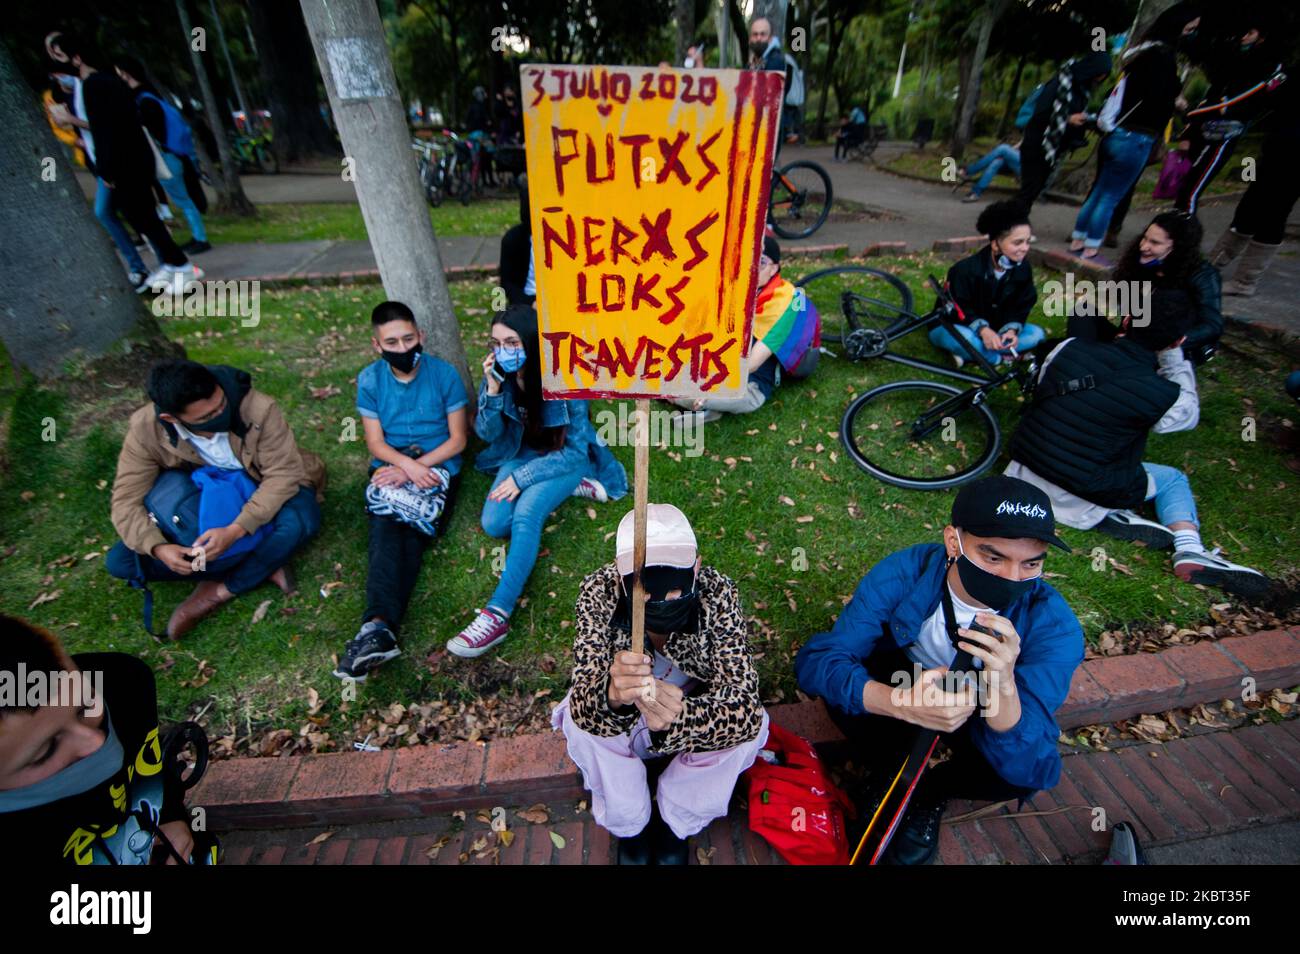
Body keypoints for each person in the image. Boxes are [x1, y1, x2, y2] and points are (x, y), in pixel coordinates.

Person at [795, 475, 1083, 865]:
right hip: (903, 681)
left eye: (1030, 563)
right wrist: (900, 703)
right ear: (953, 542)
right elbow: (818, 663)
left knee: (1017, 773)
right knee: (847, 698)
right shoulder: (906, 571)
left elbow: (1033, 761)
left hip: (979, 709)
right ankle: (888, 769)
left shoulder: (1054, 626)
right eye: (993, 557)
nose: (1012, 578)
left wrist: (1002, 684)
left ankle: (931, 792)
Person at [1006, 289, 1268, 598]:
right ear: (1178, 341)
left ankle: (1112, 515)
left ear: (1127, 319)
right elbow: (1188, 416)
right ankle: (1189, 548)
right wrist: (1174, 359)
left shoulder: (1066, 348)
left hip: (1021, 472)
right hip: (1087, 485)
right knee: (1173, 479)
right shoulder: (1164, 393)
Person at [553, 504, 768, 864]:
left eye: (673, 592)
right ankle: (631, 827)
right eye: (647, 595)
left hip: (691, 708)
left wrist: (682, 717)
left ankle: (674, 824)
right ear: (621, 580)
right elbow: (586, 694)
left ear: (696, 567)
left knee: (753, 726)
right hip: (626, 718)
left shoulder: (717, 593)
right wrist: (612, 695)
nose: (663, 603)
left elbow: (744, 707)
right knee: (581, 722)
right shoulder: (598, 592)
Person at [450, 305, 628, 658]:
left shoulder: (567, 376)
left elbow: (576, 450)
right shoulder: (501, 376)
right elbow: (487, 434)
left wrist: (523, 478)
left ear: (532, 341)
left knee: (526, 514)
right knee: (495, 523)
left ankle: (497, 614)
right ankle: (571, 490)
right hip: (521, 452)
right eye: (497, 343)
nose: (504, 350)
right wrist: (493, 388)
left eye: (513, 342)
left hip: (565, 459)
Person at [105, 360, 326, 639]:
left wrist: (235, 531)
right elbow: (125, 500)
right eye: (205, 417)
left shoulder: (257, 408)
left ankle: (219, 590)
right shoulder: (145, 429)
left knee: (300, 522)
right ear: (171, 419)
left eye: (221, 405)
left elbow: (283, 476)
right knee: (121, 562)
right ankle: (266, 560)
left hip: (265, 485)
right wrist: (158, 548)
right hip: (205, 499)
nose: (220, 415)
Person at [0, 614, 217, 864]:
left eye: (86, 706)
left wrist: (171, 816)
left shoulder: (121, 683)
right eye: (46, 751)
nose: (95, 741)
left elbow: (149, 771)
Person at [334, 302, 469, 681]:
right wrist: (404, 468)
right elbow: (375, 442)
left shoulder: (444, 375)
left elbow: (458, 439)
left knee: (401, 532)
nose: (402, 347)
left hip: (437, 465)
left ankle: (377, 627)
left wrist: (417, 467)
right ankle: (379, 627)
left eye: (409, 338)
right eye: (392, 341)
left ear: (421, 337)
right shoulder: (370, 380)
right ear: (377, 346)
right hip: (391, 467)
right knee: (390, 532)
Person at [45, 31, 200, 293]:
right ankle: (174, 265)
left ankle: (180, 266)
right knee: (141, 217)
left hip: (125, 163)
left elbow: (107, 130)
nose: (55, 65)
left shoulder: (96, 85)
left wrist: (106, 169)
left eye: (60, 56)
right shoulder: (99, 84)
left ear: (77, 57)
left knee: (142, 216)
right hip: (128, 161)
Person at [1069, 5, 1200, 258]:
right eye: (1190, 28)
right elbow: (1161, 99)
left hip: (1116, 133)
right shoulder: (1163, 59)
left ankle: (1078, 241)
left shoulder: (1140, 56)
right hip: (1136, 137)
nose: (1191, 33)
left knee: (1098, 192)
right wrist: (1179, 104)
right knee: (1109, 196)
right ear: (1177, 26)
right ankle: (1091, 248)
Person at [672, 236, 820, 422]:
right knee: (666, 376)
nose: (751, 268)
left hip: (751, 382)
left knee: (677, 392)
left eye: (761, 262)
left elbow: (754, 362)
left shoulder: (786, 304)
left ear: (774, 268)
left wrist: (714, 384)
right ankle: (709, 408)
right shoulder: (736, 287)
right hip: (719, 364)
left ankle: (707, 405)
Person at [1176, 12, 1286, 215]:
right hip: (1203, 128)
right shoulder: (1232, 59)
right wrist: (1189, 131)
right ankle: (1173, 230)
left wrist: (1192, 113)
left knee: (1191, 190)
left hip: (1226, 132)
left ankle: (1181, 233)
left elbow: (1240, 101)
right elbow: (1213, 95)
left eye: (1250, 32)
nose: (1243, 36)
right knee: (1183, 188)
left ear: (1262, 36)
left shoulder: (1269, 68)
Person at [1206, 72, 1299, 297]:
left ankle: (1245, 281)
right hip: (1277, 150)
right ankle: (1212, 267)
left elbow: (1275, 98)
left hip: (1291, 157)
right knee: (1251, 207)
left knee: (1272, 214)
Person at [113, 56, 211, 255]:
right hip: (172, 155)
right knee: (185, 199)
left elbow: (151, 132)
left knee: (184, 200)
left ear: (125, 73)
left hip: (167, 157)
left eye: (118, 73)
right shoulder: (151, 97)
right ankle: (198, 237)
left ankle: (201, 238)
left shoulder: (143, 102)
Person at [931, 200, 1044, 368]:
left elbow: (1022, 303)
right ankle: (1001, 358)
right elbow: (957, 308)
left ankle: (975, 355)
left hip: (996, 329)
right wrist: (983, 331)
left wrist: (1011, 330)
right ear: (995, 244)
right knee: (966, 339)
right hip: (958, 327)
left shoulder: (1023, 268)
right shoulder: (964, 270)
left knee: (1037, 334)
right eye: (1017, 242)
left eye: (1027, 241)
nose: (1025, 248)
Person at [1102, 212, 1222, 367]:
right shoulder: (1140, 265)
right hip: (1132, 339)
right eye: (1144, 238)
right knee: (1083, 314)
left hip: (1164, 349)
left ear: (1178, 247)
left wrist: (1175, 343)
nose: (1144, 246)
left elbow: (1212, 325)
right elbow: (1127, 307)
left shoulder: (1202, 275)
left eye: (1155, 243)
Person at [1016, 51, 1113, 211]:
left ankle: (1016, 223)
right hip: (1038, 143)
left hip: (1055, 148)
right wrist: (1068, 119)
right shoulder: (1060, 83)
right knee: (1029, 189)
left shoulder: (1083, 90)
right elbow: (1040, 114)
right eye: (1101, 73)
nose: (1101, 78)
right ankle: (1014, 225)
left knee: (1035, 189)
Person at [498, 179, 535, 307]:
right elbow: (507, 285)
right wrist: (530, 303)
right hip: (526, 304)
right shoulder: (513, 240)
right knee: (499, 327)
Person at [956, 140, 1021, 201]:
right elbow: (1016, 147)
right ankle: (976, 193)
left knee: (1003, 148)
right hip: (1016, 161)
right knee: (997, 162)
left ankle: (967, 171)